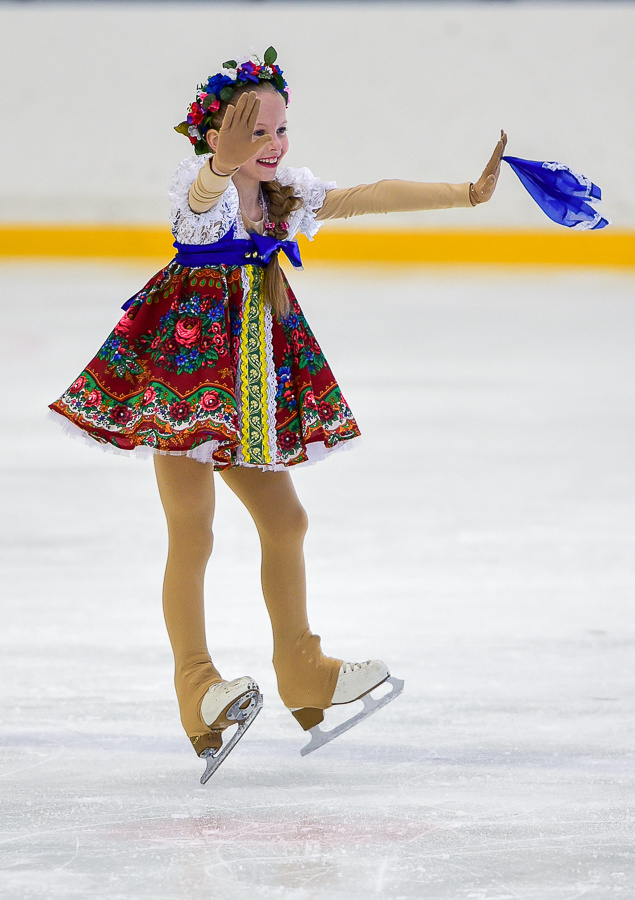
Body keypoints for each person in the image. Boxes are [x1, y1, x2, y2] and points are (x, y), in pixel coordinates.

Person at [49, 48, 506, 781]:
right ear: (214, 135)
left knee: (285, 520)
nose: (272, 144)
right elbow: (197, 205)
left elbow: (362, 195)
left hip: (247, 391)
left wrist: (465, 193)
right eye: (253, 133)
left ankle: (302, 670)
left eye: (279, 129)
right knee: (191, 529)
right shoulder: (207, 193)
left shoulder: (283, 193)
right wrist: (218, 166)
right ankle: (195, 684)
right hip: (184, 384)